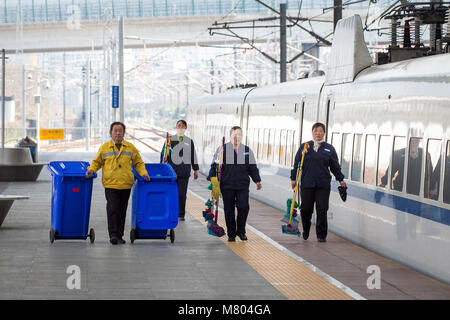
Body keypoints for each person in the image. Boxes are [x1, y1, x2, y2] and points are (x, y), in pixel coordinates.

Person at [86, 122, 150, 245]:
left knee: (122, 210)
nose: (118, 133)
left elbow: (138, 163)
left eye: (120, 131)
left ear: (124, 133)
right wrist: (91, 169)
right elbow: (97, 162)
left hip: (125, 184)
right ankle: (113, 235)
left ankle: (120, 235)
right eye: (115, 130)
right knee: (112, 208)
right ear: (111, 133)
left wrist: (144, 173)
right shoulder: (105, 147)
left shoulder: (130, 147)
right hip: (111, 184)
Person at [290, 122, 346, 242]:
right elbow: (296, 164)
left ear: (324, 133)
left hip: (323, 185)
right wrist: (293, 178)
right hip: (307, 184)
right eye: (316, 131)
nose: (318, 133)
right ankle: (306, 229)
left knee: (322, 209)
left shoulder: (329, 149)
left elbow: (335, 166)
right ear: (312, 133)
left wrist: (341, 179)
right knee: (306, 209)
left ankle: (321, 235)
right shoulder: (304, 147)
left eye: (321, 131)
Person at [207, 126, 262, 242]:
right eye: (235, 134)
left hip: (242, 185)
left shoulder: (247, 150)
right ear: (230, 136)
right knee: (229, 210)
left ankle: (241, 231)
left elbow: (252, 167)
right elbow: (214, 166)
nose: (237, 137)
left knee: (243, 207)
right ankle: (231, 233)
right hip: (227, 185)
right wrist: (213, 182)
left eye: (239, 134)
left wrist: (257, 180)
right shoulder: (222, 149)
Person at [160, 120, 199, 221]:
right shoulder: (169, 140)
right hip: (171, 172)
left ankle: (181, 214)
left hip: (184, 172)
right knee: (171, 193)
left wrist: (195, 169)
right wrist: (161, 167)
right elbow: (163, 154)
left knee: (182, 194)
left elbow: (193, 156)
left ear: (185, 128)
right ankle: (170, 212)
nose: (180, 127)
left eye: (182, 125)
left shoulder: (189, 141)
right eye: (178, 125)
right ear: (176, 127)